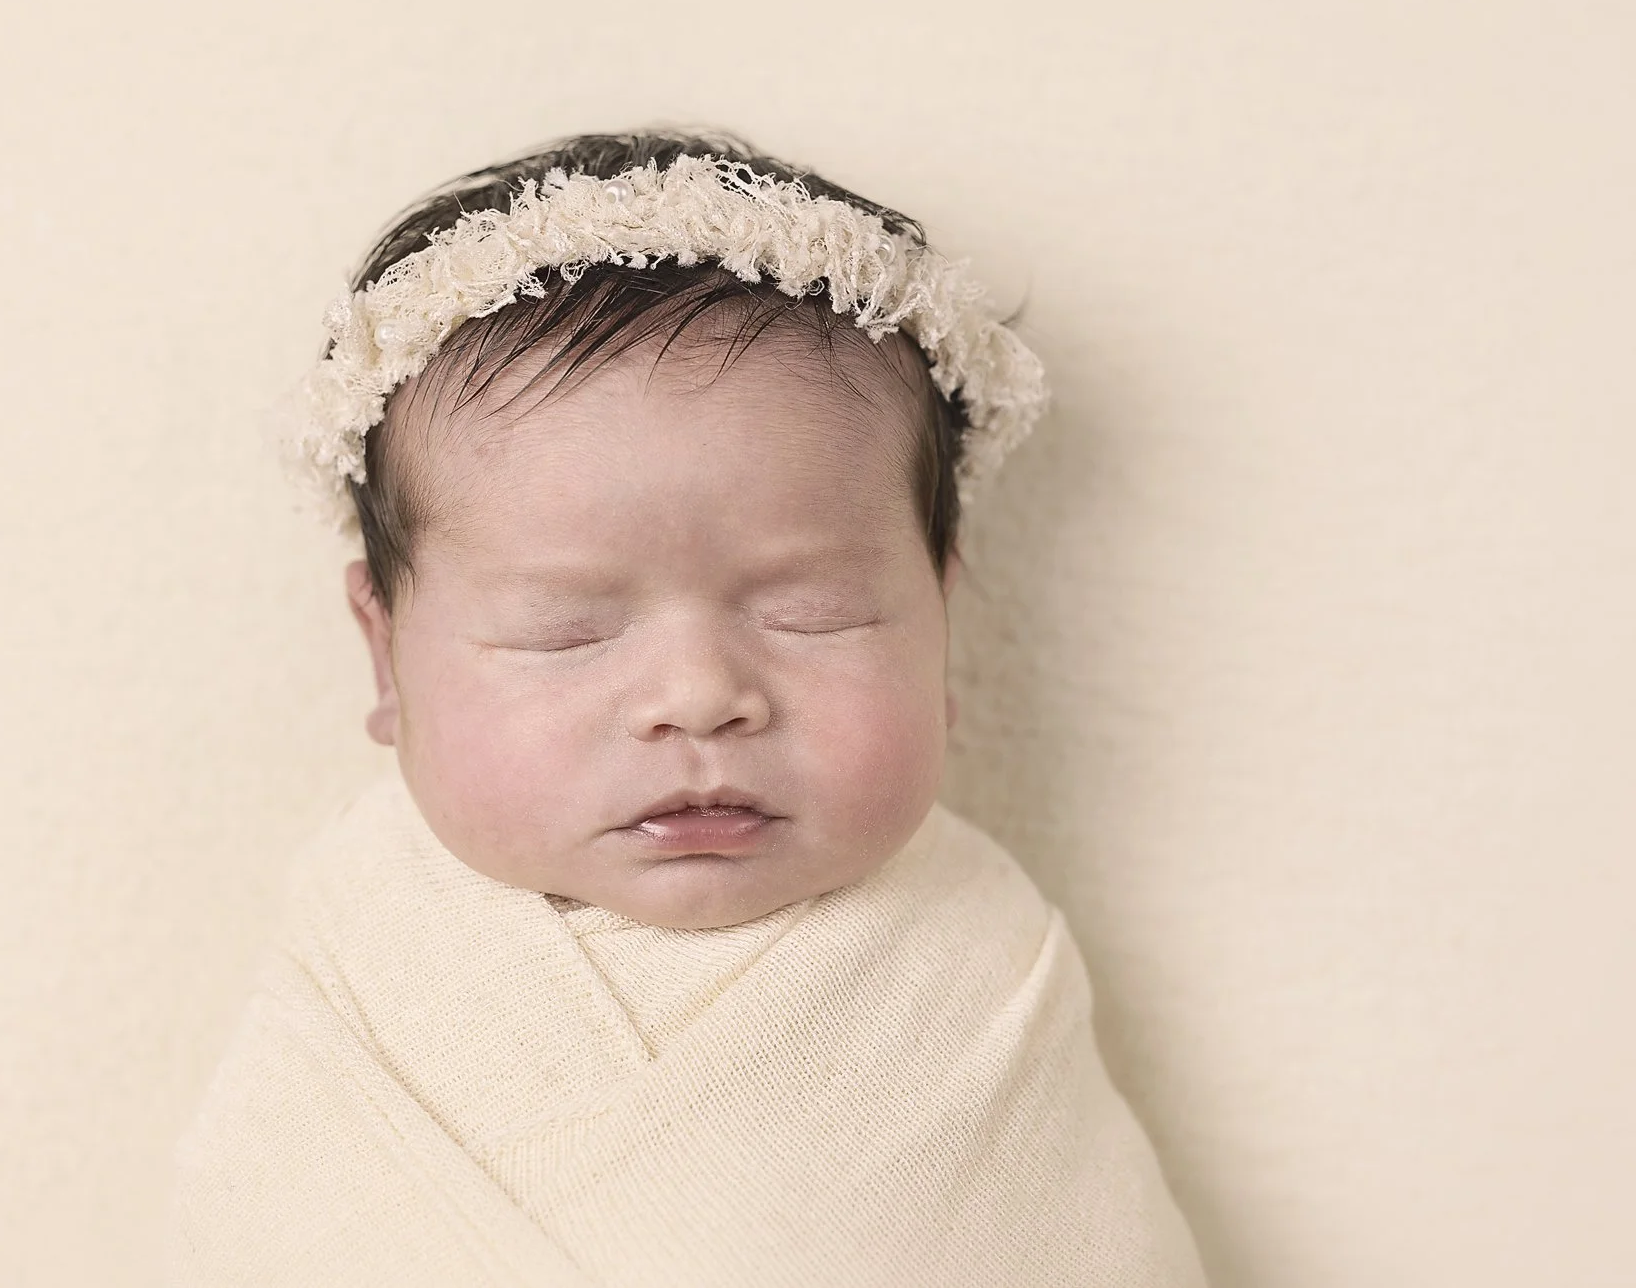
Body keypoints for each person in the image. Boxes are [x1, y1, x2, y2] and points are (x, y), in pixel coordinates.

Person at [170, 131, 1206, 1286]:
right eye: (563, 629)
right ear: (385, 659)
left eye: (813, 611)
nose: (698, 698)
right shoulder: (363, 947)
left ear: (939, 615)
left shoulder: (976, 972)